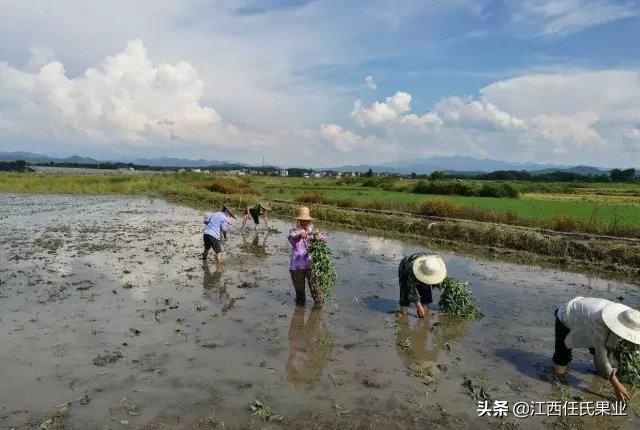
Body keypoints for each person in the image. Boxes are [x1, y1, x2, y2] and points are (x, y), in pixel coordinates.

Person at [552, 296, 640, 401]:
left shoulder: (631, 317)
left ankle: (603, 373)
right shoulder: (601, 324)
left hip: (588, 318)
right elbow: (601, 358)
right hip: (568, 315)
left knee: (602, 350)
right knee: (562, 357)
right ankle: (558, 384)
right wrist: (617, 385)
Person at [287, 206, 324, 308]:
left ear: (309, 220)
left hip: (311, 264)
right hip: (297, 266)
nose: (304, 222)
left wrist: (319, 238)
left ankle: (316, 316)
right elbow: (291, 238)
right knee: (300, 296)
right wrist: (300, 235)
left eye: (306, 220)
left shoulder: (314, 230)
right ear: (299, 220)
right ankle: (299, 316)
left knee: (317, 292)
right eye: (302, 220)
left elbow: (323, 239)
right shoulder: (294, 230)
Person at [396, 253, 446, 318]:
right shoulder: (409, 267)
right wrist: (418, 304)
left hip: (427, 269)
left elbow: (435, 281)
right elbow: (411, 288)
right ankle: (403, 311)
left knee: (426, 288)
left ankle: (424, 307)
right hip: (406, 268)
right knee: (405, 290)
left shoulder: (436, 266)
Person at [202, 205, 235, 271]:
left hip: (206, 233)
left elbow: (205, 221)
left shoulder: (215, 213)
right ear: (228, 213)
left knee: (207, 248)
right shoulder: (224, 218)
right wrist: (225, 236)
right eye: (230, 215)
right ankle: (219, 268)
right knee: (218, 252)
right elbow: (224, 229)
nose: (230, 217)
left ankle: (203, 260)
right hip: (213, 235)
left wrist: (212, 225)